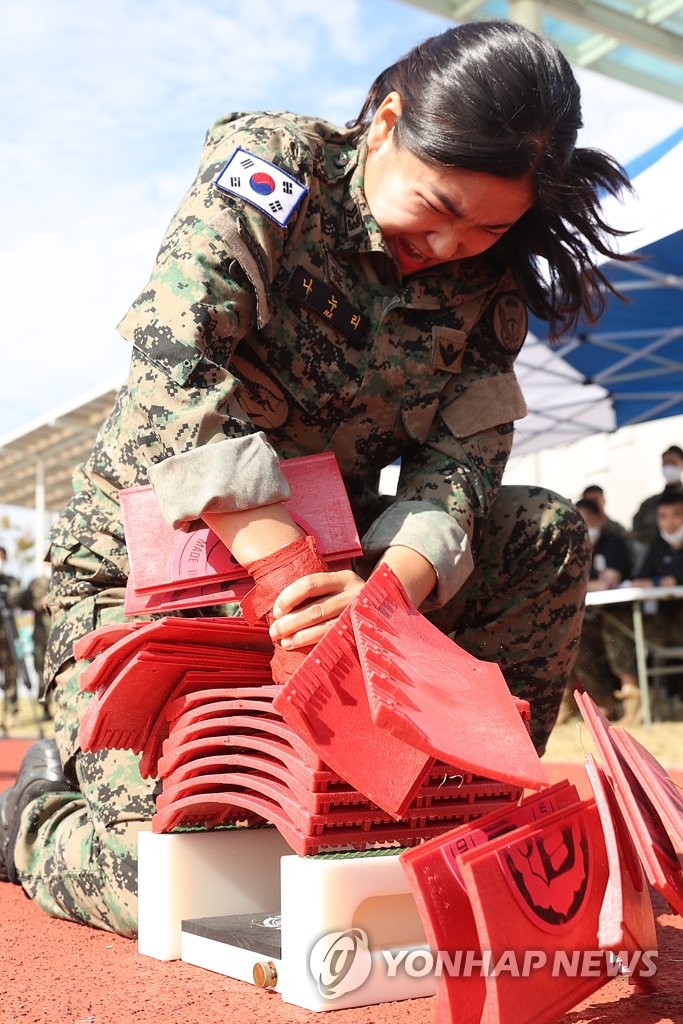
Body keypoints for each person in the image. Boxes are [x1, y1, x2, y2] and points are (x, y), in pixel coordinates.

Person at [0, 21, 633, 935]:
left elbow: (463, 464)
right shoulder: (272, 170)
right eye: (435, 204)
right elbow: (176, 365)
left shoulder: (487, 283)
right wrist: (291, 576)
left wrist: (379, 598)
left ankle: (463, 816)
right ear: (383, 125)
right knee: (200, 889)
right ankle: (35, 820)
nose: (449, 244)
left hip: (339, 585)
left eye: (488, 224)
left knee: (542, 528)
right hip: (162, 580)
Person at [605, 491, 683, 722]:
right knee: (615, 622)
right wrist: (662, 581)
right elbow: (640, 578)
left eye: (677, 515)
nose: (670, 522)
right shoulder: (658, 546)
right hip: (664, 623)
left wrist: (667, 580)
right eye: (664, 516)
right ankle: (633, 694)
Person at [565, 497, 631, 720]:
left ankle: (632, 698)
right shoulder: (571, 548)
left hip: (617, 616)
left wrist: (586, 583)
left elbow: (608, 581)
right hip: (587, 618)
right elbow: (564, 582)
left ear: (600, 520)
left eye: (589, 520)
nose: (585, 526)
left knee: (618, 639)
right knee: (575, 643)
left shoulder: (614, 543)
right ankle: (604, 702)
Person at [631, 445, 683, 550]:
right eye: (665, 464)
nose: (668, 468)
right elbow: (636, 532)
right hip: (655, 557)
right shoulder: (648, 504)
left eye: (672, 463)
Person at [18, 569, 53, 720]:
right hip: (41, 638)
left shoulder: (66, 578)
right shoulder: (36, 583)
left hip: (60, 635)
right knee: (41, 673)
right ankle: (45, 708)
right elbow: (24, 603)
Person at [0, 546, 21, 728]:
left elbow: (16, 598)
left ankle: (11, 713)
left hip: (8, 636)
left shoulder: (11, 581)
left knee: (11, 675)